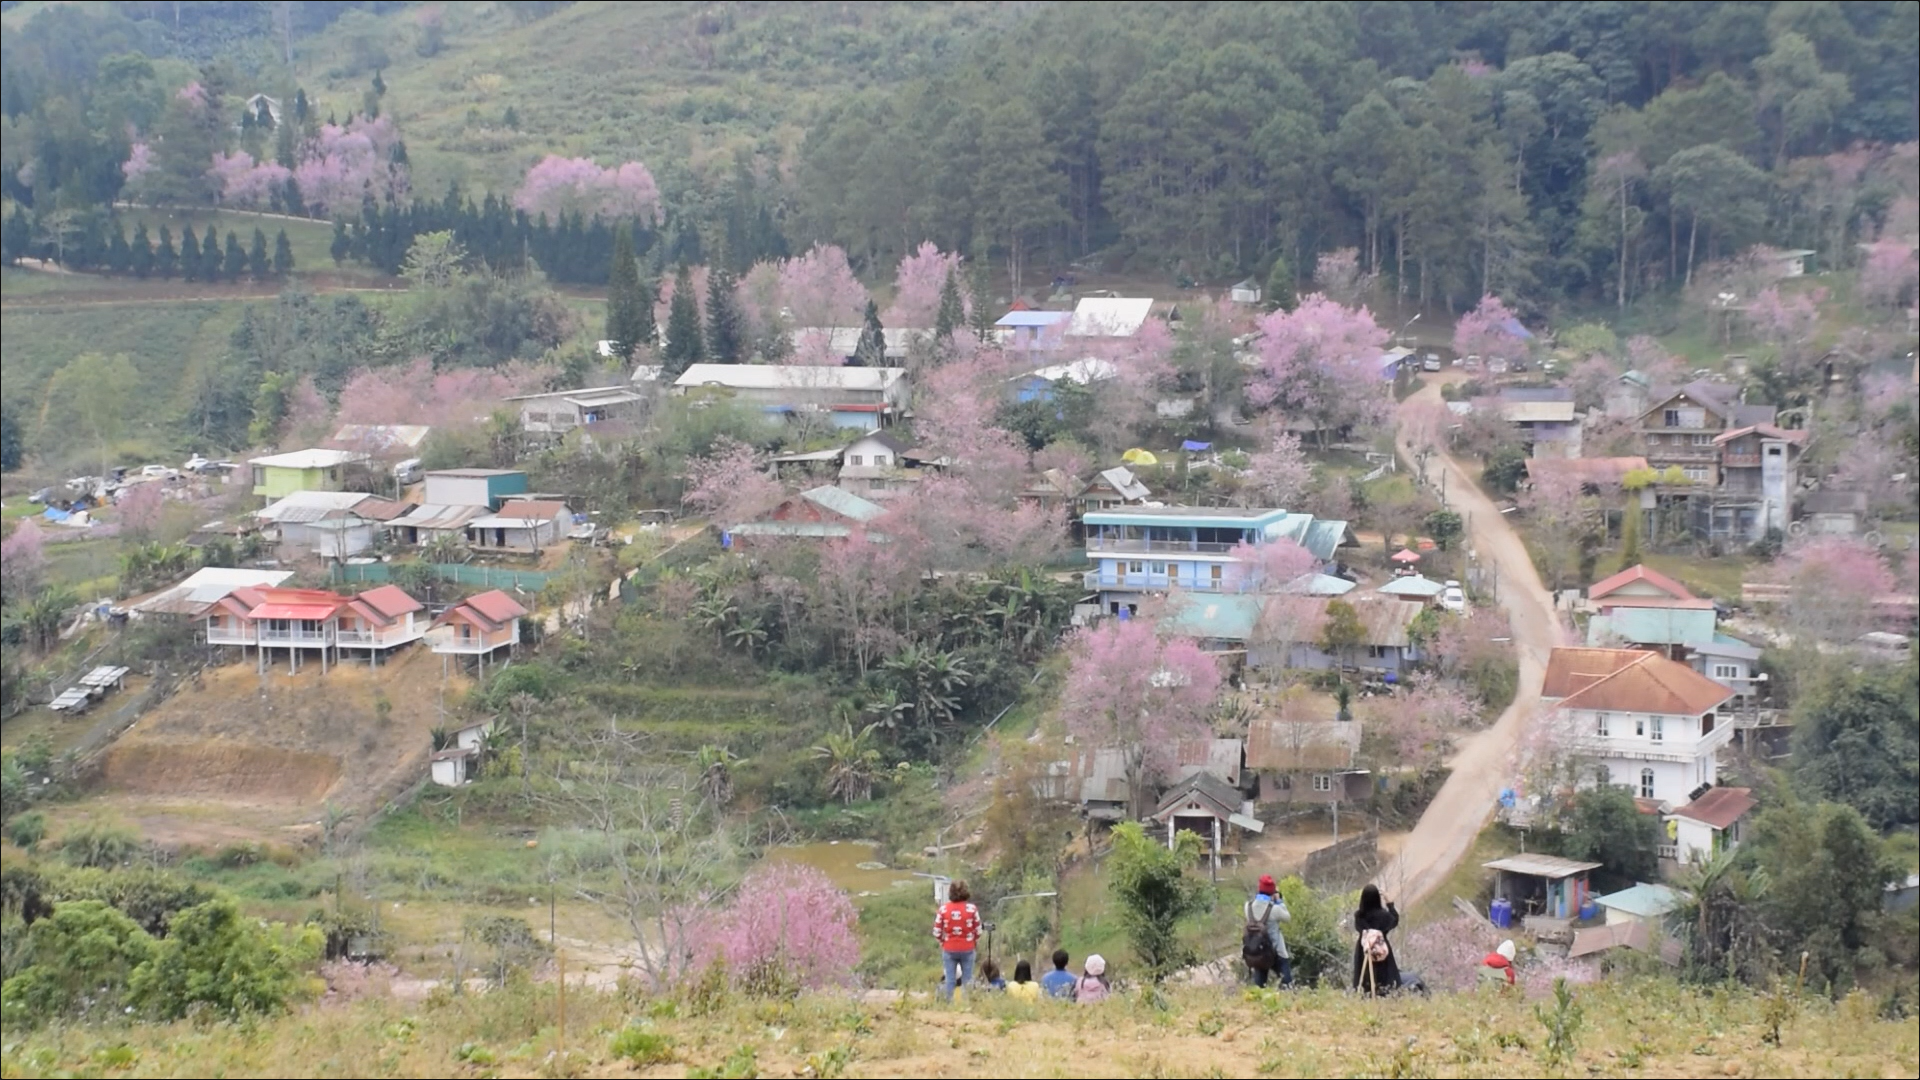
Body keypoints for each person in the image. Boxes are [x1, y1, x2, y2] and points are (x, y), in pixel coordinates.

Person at [1242, 874, 1294, 988]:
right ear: (1272, 892)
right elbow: (1287, 917)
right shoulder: (1274, 909)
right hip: (1276, 951)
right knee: (1287, 984)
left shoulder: (1248, 907)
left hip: (1257, 951)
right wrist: (1279, 901)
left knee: (1259, 986)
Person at [933, 881, 981, 1001]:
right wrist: (973, 940)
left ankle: (948, 1003)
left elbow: (937, 931)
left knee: (950, 979)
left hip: (949, 948)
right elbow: (978, 931)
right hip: (968, 948)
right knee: (967, 979)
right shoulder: (972, 909)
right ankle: (966, 1004)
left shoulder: (943, 909)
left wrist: (942, 941)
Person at [1351, 884, 1402, 996]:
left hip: (1363, 949)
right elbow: (1395, 919)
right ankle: (1385, 994)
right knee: (1384, 977)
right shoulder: (1384, 916)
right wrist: (1390, 903)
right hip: (1381, 947)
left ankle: (1364, 995)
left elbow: (1359, 928)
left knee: (1364, 976)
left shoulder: (1359, 916)